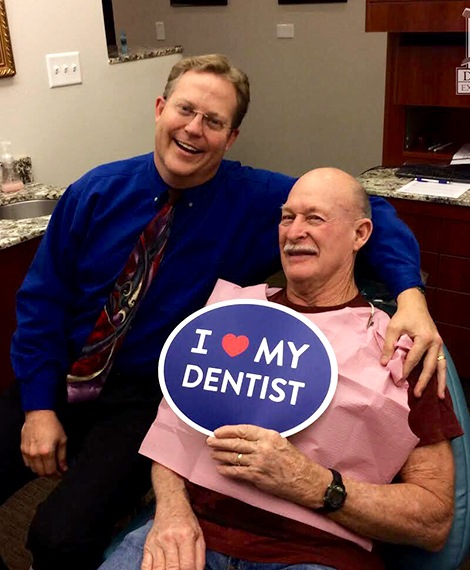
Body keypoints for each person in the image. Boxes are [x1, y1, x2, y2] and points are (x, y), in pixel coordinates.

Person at [0, 55, 442, 569]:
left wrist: (411, 297)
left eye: (213, 121)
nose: (193, 129)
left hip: (144, 396)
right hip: (56, 374)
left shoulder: (256, 202)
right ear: (161, 109)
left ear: (231, 138)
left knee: (60, 535)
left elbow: (370, 213)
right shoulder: (94, 192)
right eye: (185, 110)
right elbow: (41, 303)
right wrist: (38, 408)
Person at [101, 167, 462, 570]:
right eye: (287, 217)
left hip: (315, 553)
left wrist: (313, 484)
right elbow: (172, 436)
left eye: (315, 218)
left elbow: (434, 520)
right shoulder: (228, 317)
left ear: (360, 235)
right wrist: (170, 512)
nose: (294, 232)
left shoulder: (402, 347)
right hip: (193, 533)